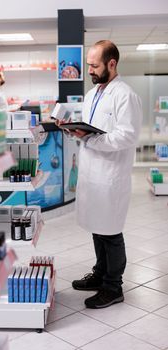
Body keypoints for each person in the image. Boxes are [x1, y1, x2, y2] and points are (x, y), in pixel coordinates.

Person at [59, 40, 143, 309]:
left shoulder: (125, 95)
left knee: (110, 231)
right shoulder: (91, 94)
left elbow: (127, 136)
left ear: (112, 63)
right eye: (88, 66)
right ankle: (100, 274)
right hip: (92, 172)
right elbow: (91, 129)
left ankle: (113, 286)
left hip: (111, 175)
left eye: (94, 66)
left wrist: (91, 139)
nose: (90, 71)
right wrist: (74, 131)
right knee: (97, 227)